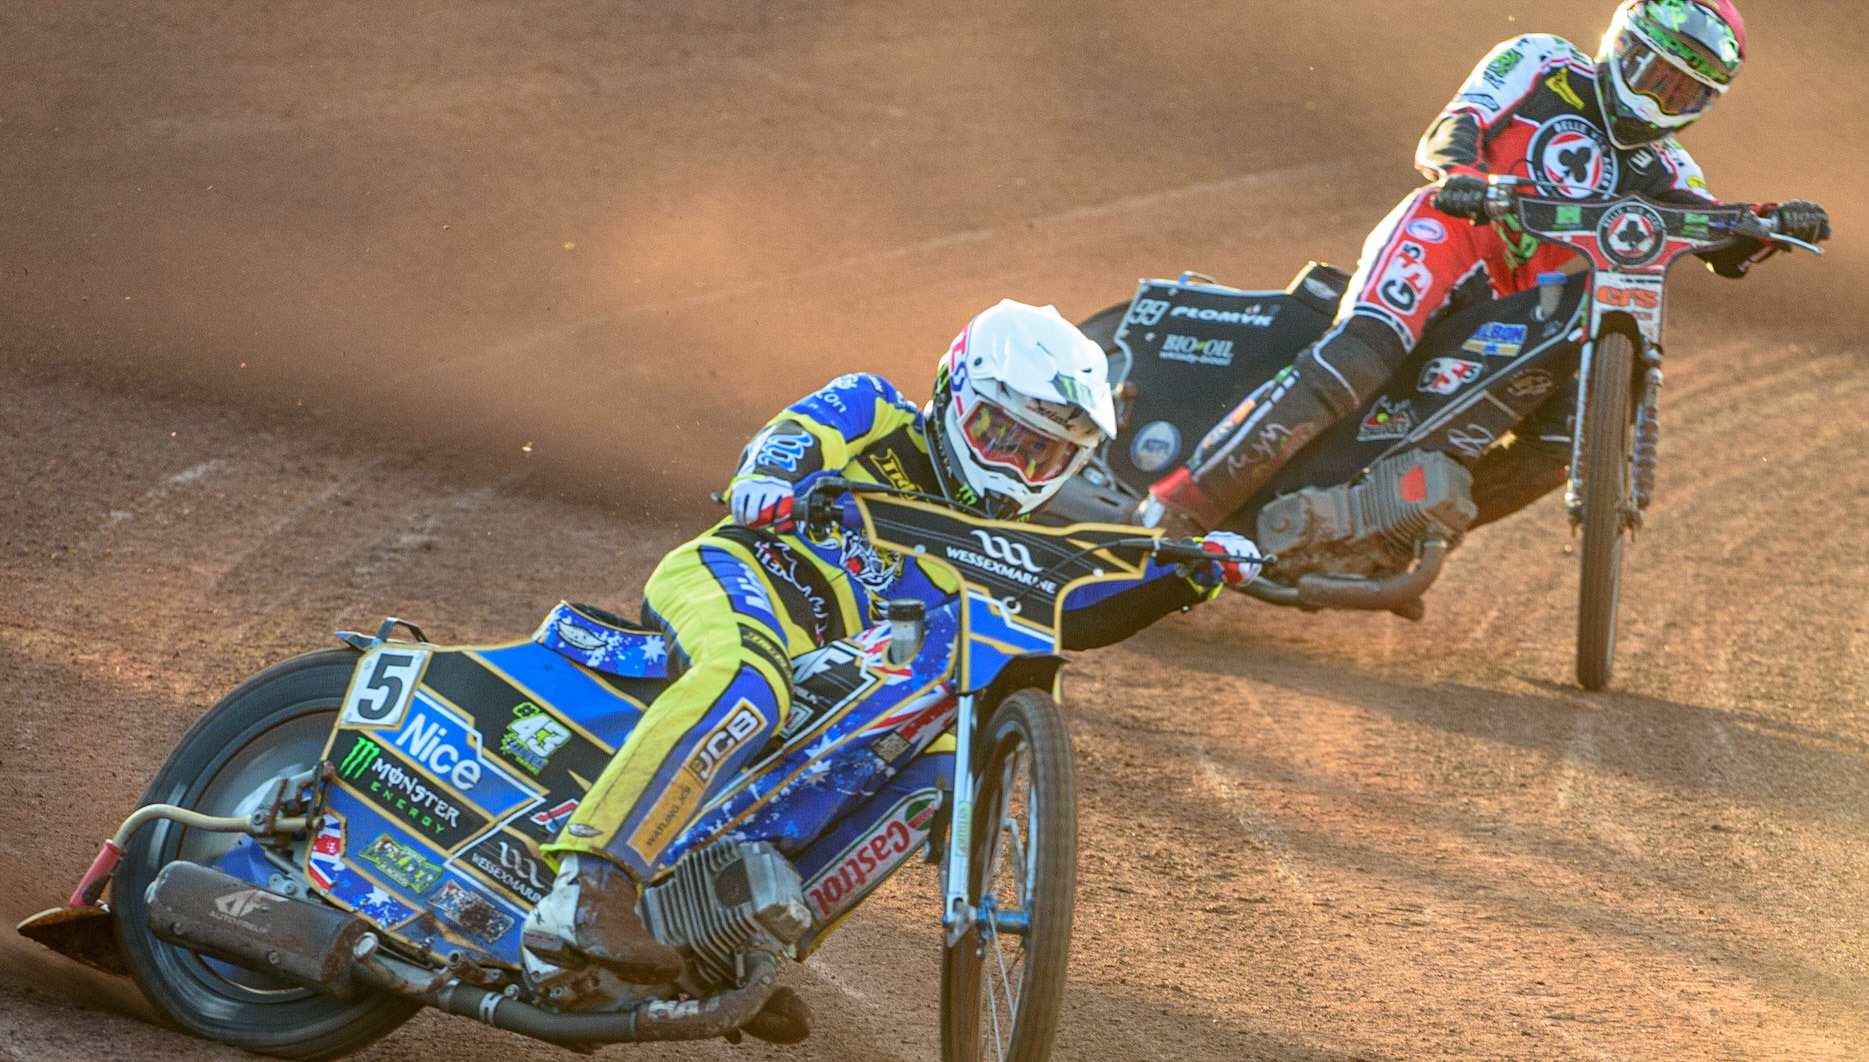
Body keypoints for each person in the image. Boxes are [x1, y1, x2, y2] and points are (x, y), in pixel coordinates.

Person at [519, 299, 1261, 999]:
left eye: (1041, 456)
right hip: (744, 578)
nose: (1013, 466)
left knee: (937, 776)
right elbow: (797, 433)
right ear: (951, 391)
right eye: (1001, 436)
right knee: (749, 674)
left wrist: (1190, 573)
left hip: (842, 675)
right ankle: (588, 886)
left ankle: (724, 952)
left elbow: (1084, 609)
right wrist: (771, 477)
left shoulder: (1021, 546)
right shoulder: (875, 409)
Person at [1140, 0, 1831, 534]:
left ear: (1703, 106)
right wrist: (1458, 173)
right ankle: (1178, 511)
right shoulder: (1540, 60)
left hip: (1530, 302)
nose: (1658, 98)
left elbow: (1713, 237)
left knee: (1565, 445)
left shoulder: (1669, 169)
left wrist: (1771, 224)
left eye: (1680, 93)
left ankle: (1386, 533)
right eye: (1652, 72)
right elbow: (1456, 125)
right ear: (1619, 44)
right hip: (1455, 232)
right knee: (1360, 355)